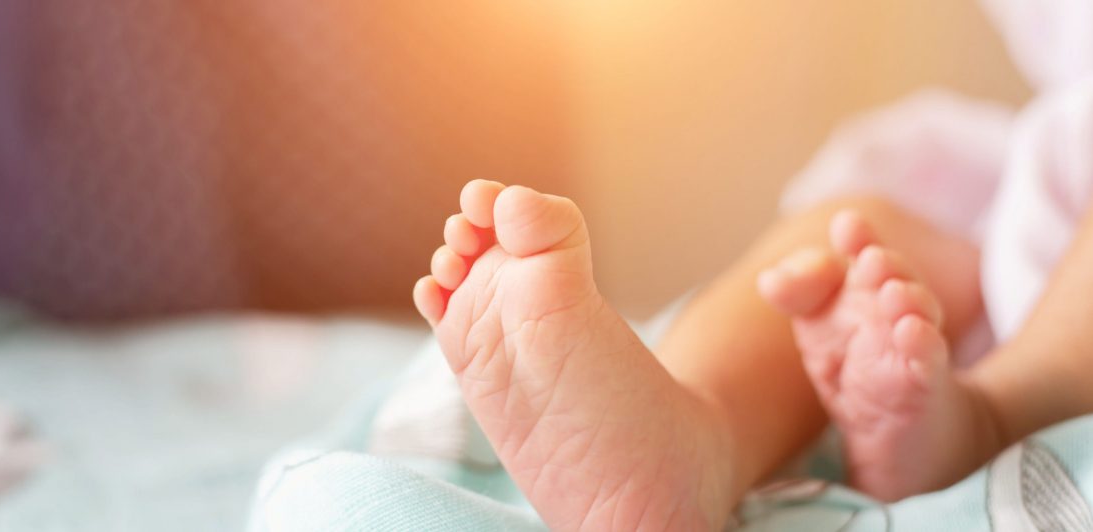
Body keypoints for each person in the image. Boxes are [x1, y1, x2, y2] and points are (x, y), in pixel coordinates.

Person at [411, 0, 1093, 529]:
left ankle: (991, 419)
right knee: (849, 242)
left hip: (1045, 327)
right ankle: (690, 435)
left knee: (871, 261)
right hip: (1026, 215)